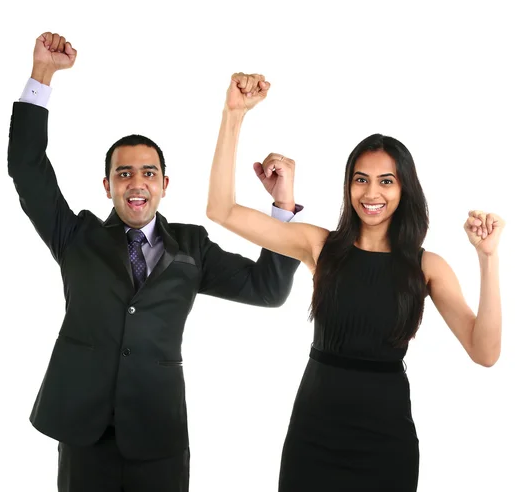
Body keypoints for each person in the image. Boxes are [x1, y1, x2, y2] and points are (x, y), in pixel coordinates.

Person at [8, 34, 304, 492]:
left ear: (165, 183)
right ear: (107, 186)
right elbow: (27, 168)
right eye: (123, 173)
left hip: (158, 434)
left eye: (148, 172)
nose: (136, 183)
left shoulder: (192, 245)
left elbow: (268, 288)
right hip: (85, 433)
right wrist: (42, 75)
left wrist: (281, 207)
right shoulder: (77, 235)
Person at [206, 72, 504, 491]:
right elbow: (221, 210)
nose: (371, 192)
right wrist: (233, 115)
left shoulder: (427, 267)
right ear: (348, 185)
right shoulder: (319, 246)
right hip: (314, 435)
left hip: (386, 443)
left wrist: (486, 259)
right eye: (361, 179)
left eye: (386, 181)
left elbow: (484, 351)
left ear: (404, 189)